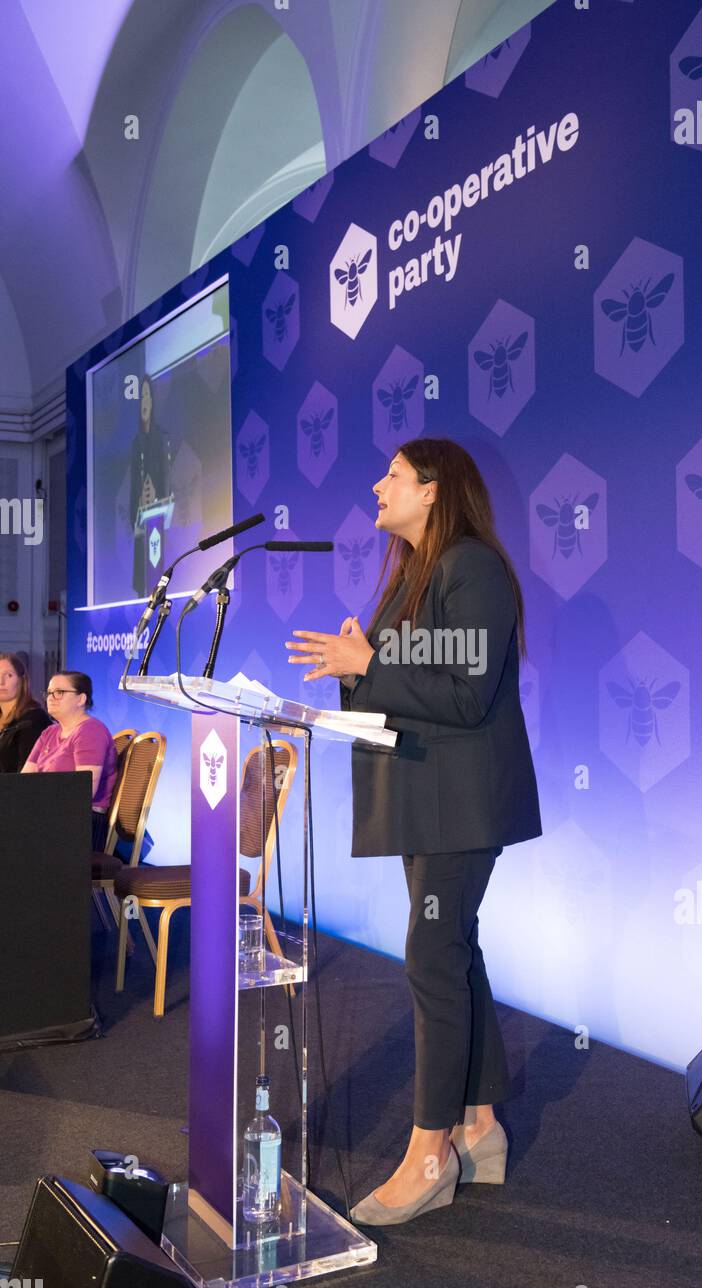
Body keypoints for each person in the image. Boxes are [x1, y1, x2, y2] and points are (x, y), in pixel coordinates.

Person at [285, 437, 542, 1226]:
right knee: (451, 953)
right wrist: (356, 666)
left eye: (393, 475)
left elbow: (467, 693)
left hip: (462, 806)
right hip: (429, 802)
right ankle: (480, 1124)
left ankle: (431, 1154)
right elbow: (413, 685)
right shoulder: (412, 578)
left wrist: (366, 663)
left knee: (432, 959)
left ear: (434, 490)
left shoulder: (472, 567)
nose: (377, 484)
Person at [22, 671, 118, 850]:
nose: (51, 698)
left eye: (59, 692)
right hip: (48, 813)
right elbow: (24, 781)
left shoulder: (90, 731)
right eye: (49, 693)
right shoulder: (49, 732)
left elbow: (83, 791)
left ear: (81, 699)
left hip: (81, 821)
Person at [129, 373, 171, 597]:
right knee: (141, 584)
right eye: (140, 398)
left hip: (158, 521)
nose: (144, 402)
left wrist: (157, 497)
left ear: (153, 401)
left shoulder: (161, 438)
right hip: (140, 525)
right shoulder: (136, 443)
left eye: (147, 396)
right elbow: (133, 488)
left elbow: (167, 482)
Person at [0, 652, 52, 773]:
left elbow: (28, 777)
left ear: (21, 681)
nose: (1, 682)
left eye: (8, 675)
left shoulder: (33, 719)